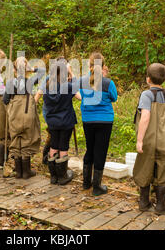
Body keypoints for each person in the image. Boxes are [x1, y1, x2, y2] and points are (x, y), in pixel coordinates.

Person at [132, 63, 165, 214]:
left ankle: (144, 202)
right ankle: (161, 205)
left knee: (144, 167)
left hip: (149, 139)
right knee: (162, 169)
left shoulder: (146, 95)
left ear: (148, 79)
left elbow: (145, 117)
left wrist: (139, 140)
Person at [35, 59, 81, 185]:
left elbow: (38, 95)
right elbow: (80, 96)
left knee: (54, 145)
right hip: (66, 121)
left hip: (52, 121)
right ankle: (62, 176)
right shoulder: (68, 86)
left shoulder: (47, 86)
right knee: (63, 146)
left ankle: (53, 176)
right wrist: (72, 74)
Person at [79, 52, 117, 196]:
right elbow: (114, 98)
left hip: (88, 120)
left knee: (90, 148)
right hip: (105, 121)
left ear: (89, 65)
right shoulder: (108, 83)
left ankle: (85, 182)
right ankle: (97, 187)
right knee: (100, 151)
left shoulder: (83, 81)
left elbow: (82, 96)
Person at [3, 57, 43, 179]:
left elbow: (5, 100)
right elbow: (42, 71)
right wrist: (31, 69)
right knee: (27, 138)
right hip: (27, 113)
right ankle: (26, 172)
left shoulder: (10, 83)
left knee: (15, 139)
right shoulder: (30, 82)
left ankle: (18, 172)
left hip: (14, 114)